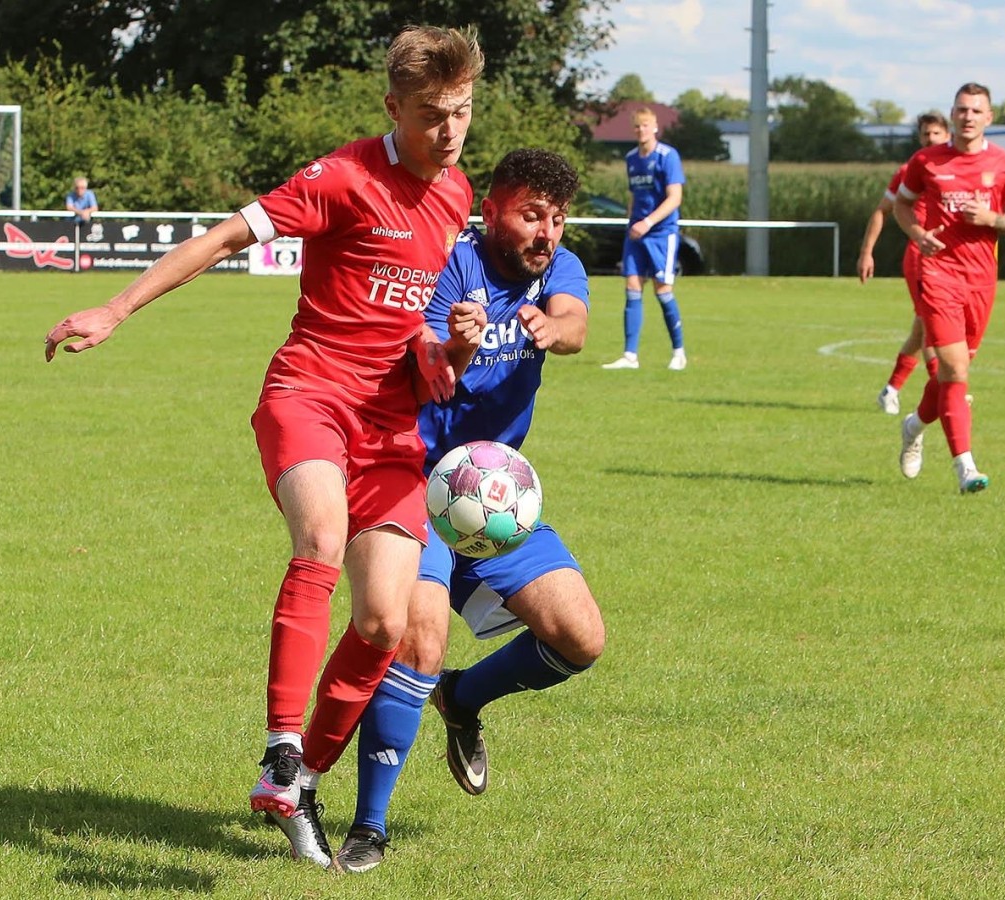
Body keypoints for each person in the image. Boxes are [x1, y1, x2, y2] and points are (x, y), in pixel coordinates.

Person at [43, 26, 486, 869]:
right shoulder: (343, 177)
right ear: (394, 108)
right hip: (309, 396)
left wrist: (454, 345)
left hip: (391, 427)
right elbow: (218, 241)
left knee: (385, 619)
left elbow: (423, 356)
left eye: (461, 113)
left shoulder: (456, 196)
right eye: (432, 114)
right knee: (319, 537)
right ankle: (283, 744)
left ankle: (303, 780)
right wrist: (115, 309)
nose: (450, 130)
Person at [336, 149, 605, 873]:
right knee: (419, 640)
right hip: (415, 484)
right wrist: (457, 343)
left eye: (555, 218)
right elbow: (426, 369)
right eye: (529, 215)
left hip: (493, 499)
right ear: (492, 211)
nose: (545, 231)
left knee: (580, 638)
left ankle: (463, 699)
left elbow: (575, 322)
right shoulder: (450, 266)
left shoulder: (560, 271)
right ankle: (369, 825)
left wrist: (554, 329)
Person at [892, 83, 1005, 494]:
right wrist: (917, 234)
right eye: (961, 109)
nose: (968, 116)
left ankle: (914, 425)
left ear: (989, 117)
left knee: (955, 373)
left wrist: (991, 218)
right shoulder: (927, 161)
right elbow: (900, 204)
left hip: (981, 281)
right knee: (954, 370)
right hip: (938, 275)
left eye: (976, 110)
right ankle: (965, 467)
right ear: (952, 115)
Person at [857, 112, 950, 415]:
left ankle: (891, 389)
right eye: (925, 134)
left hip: (952, 259)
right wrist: (867, 252)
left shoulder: (958, 172)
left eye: (936, 134)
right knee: (931, 326)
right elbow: (882, 210)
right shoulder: (910, 170)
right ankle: (945, 388)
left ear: (947, 135)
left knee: (922, 329)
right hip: (920, 257)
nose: (930, 139)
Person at [602, 106, 687, 372]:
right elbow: (633, 197)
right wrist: (632, 223)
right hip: (636, 233)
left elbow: (675, 197)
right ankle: (630, 355)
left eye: (646, 125)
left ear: (656, 127)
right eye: (637, 126)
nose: (641, 130)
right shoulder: (631, 158)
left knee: (662, 290)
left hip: (661, 233)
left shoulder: (667, 156)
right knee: (632, 287)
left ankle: (679, 352)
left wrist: (649, 222)